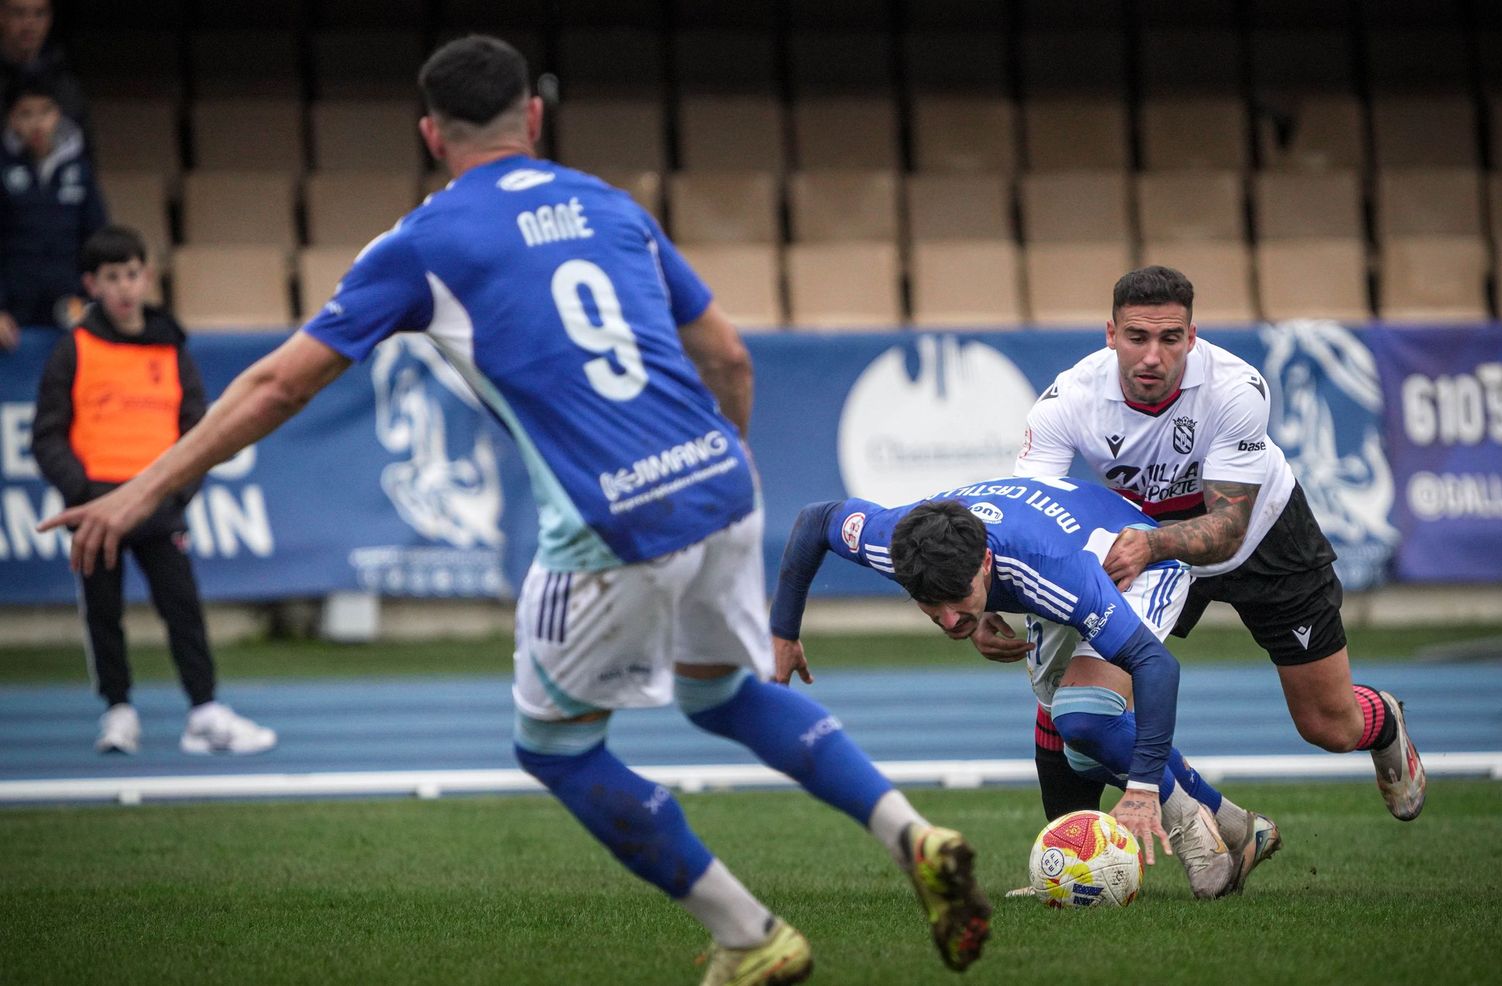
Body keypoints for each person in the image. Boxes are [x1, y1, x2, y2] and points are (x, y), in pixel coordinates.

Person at [40, 36, 990, 984]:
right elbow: (729, 356)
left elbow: (278, 385)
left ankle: (749, 936)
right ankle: (911, 833)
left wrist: (140, 490)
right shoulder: (611, 205)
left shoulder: (420, 243)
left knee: (558, 750)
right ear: (533, 117)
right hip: (722, 482)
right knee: (720, 694)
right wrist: (723, 462)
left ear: (429, 134)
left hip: (613, 522)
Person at [1001, 264, 1426, 822]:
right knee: (1076, 703)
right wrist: (989, 599)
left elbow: (1227, 528)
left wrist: (1150, 545)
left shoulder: (1235, 388)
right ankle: (1069, 848)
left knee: (1329, 725)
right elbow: (1028, 515)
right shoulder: (1067, 400)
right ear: (1111, 335)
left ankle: (1384, 721)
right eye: (1137, 337)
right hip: (1149, 548)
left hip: (1261, 540)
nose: (1152, 356)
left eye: (1170, 339)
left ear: (1192, 337)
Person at [770, 476, 1277, 899]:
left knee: (1084, 716)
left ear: (985, 565)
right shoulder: (893, 541)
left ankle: (1192, 826)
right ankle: (1233, 827)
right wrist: (784, 633)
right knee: (1075, 741)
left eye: (958, 599)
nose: (948, 619)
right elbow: (816, 519)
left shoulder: (1050, 571)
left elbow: (1156, 667)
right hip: (1050, 556)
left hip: (1130, 563)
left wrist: (1144, 790)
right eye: (930, 604)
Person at [31, 225, 277, 755]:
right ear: (91, 285)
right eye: (111, 277)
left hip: (160, 505)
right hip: (98, 509)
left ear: (146, 276)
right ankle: (118, 710)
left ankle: (204, 710)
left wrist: (176, 493)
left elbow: (200, 430)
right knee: (103, 612)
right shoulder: (74, 349)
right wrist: (84, 493)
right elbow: (47, 435)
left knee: (182, 607)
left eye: (131, 274)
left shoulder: (171, 348)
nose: (124, 287)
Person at [1, 75, 105, 347]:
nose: (37, 123)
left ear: (58, 114)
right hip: (13, 312)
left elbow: (96, 239)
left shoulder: (80, 169)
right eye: (26, 114)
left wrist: (91, 300)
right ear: (12, 120)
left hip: (70, 305)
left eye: (45, 111)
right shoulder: (2, 168)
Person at [0, 0, 86, 126]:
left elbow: (79, 131)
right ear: (2, 16)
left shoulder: (61, 77)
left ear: (50, 19)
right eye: (19, 13)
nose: (29, 24)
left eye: (39, 14)